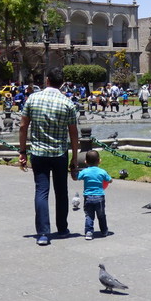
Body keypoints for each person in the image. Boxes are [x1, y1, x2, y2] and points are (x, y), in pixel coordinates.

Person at [18, 67, 79, 246]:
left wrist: (22, 152)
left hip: (38, 153)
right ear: (62, 84)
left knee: (41, 191)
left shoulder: (33, 99)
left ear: (47, 81)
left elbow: (23, 127)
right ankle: (62, 229)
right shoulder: (68, 103)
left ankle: (43, 234)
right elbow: (74, 134)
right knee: (61, 192)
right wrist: (74, 158)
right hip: (59, 153)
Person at [77, 150, 111, 240]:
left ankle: (88, 232)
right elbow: (109, 180)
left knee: (89, 215)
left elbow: (78, 177)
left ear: (85, 162)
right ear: (99, 161)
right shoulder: (102, 171)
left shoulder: (85, 171)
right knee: (101, 215)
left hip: (88, 197)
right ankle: (104, 231)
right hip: (99, 196)